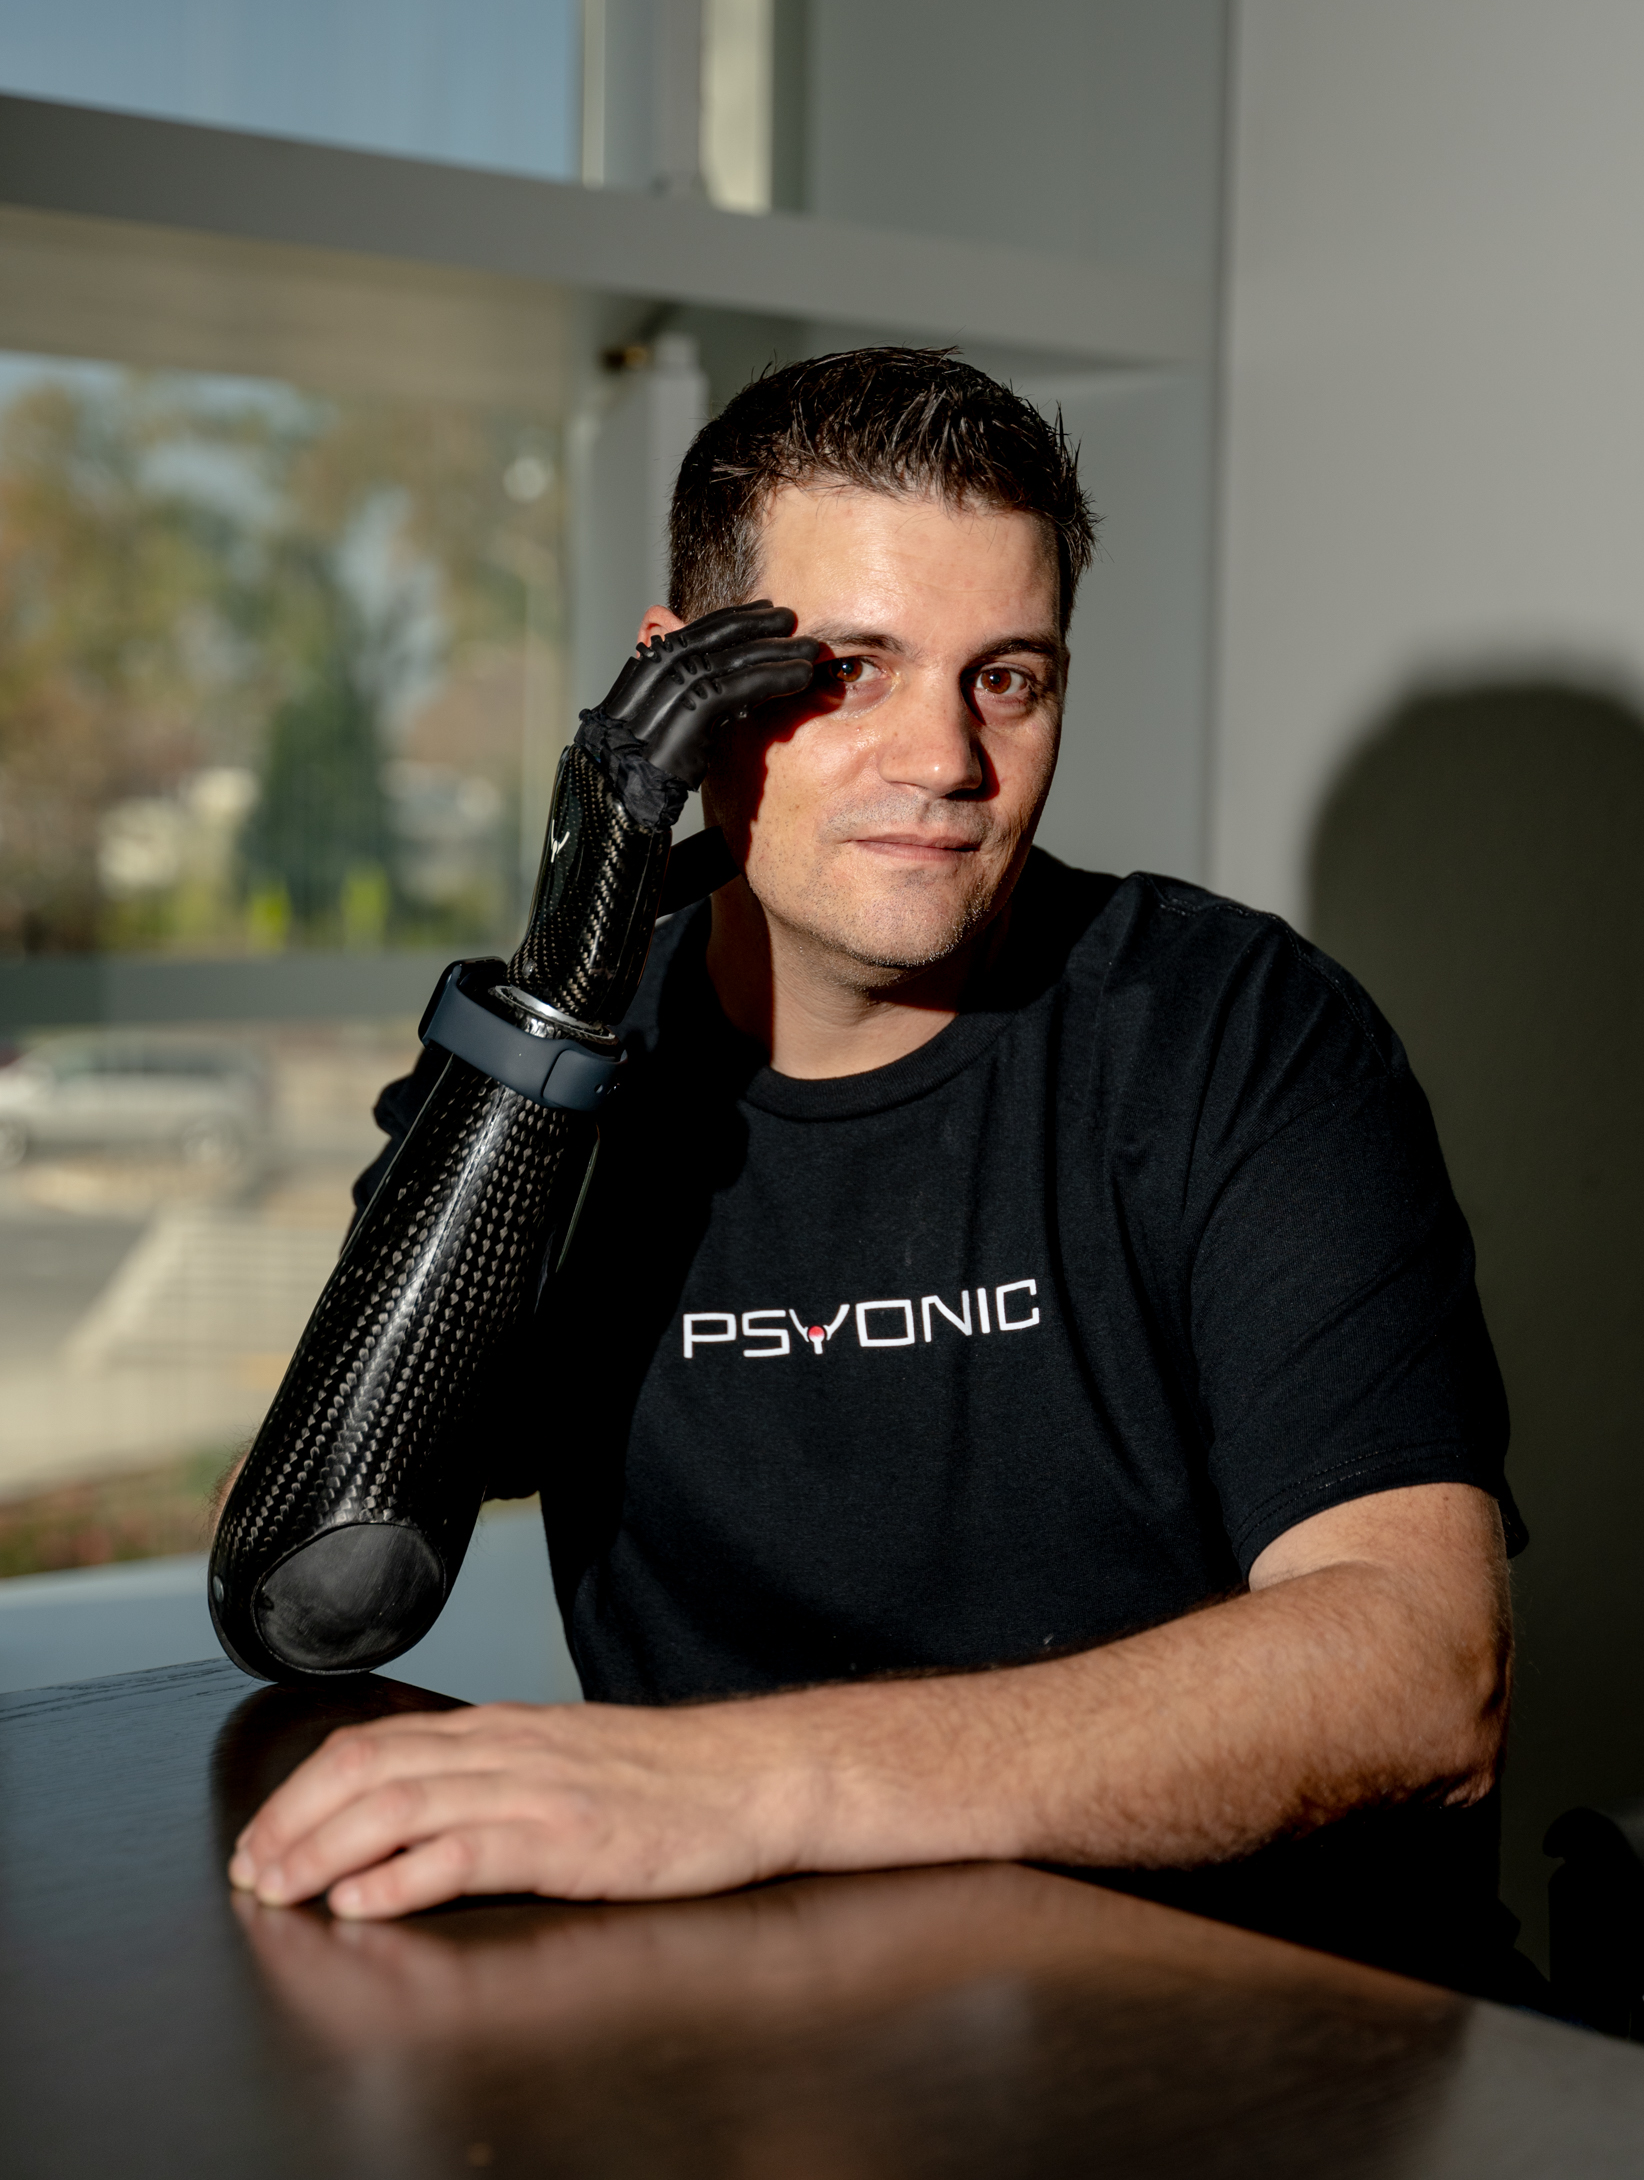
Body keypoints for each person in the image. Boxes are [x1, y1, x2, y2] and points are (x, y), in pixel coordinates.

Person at [229, 348, 1525, 1996]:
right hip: (767, 2033)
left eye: (1010, 678)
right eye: (851, 667)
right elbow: (303, 1593)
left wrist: (751, 1781)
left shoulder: (1237, 1035)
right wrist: (563, 988)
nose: (947, 762)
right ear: (673, 689)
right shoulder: (547, 1080)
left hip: (1248, 2028)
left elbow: (1423, 1676)